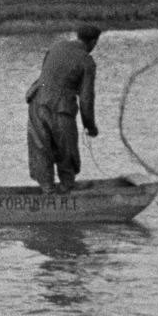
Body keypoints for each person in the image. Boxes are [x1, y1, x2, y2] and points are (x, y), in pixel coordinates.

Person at [25, 24, 101, 192]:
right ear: (94, 42)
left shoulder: (57, 46)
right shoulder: (87, 61)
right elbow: (86, 98)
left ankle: (47, 190)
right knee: (67, 151)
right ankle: (67, 189)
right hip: (61, 109)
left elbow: (45, 74)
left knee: (40, 149)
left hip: (36, 103)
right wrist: (90, 126)